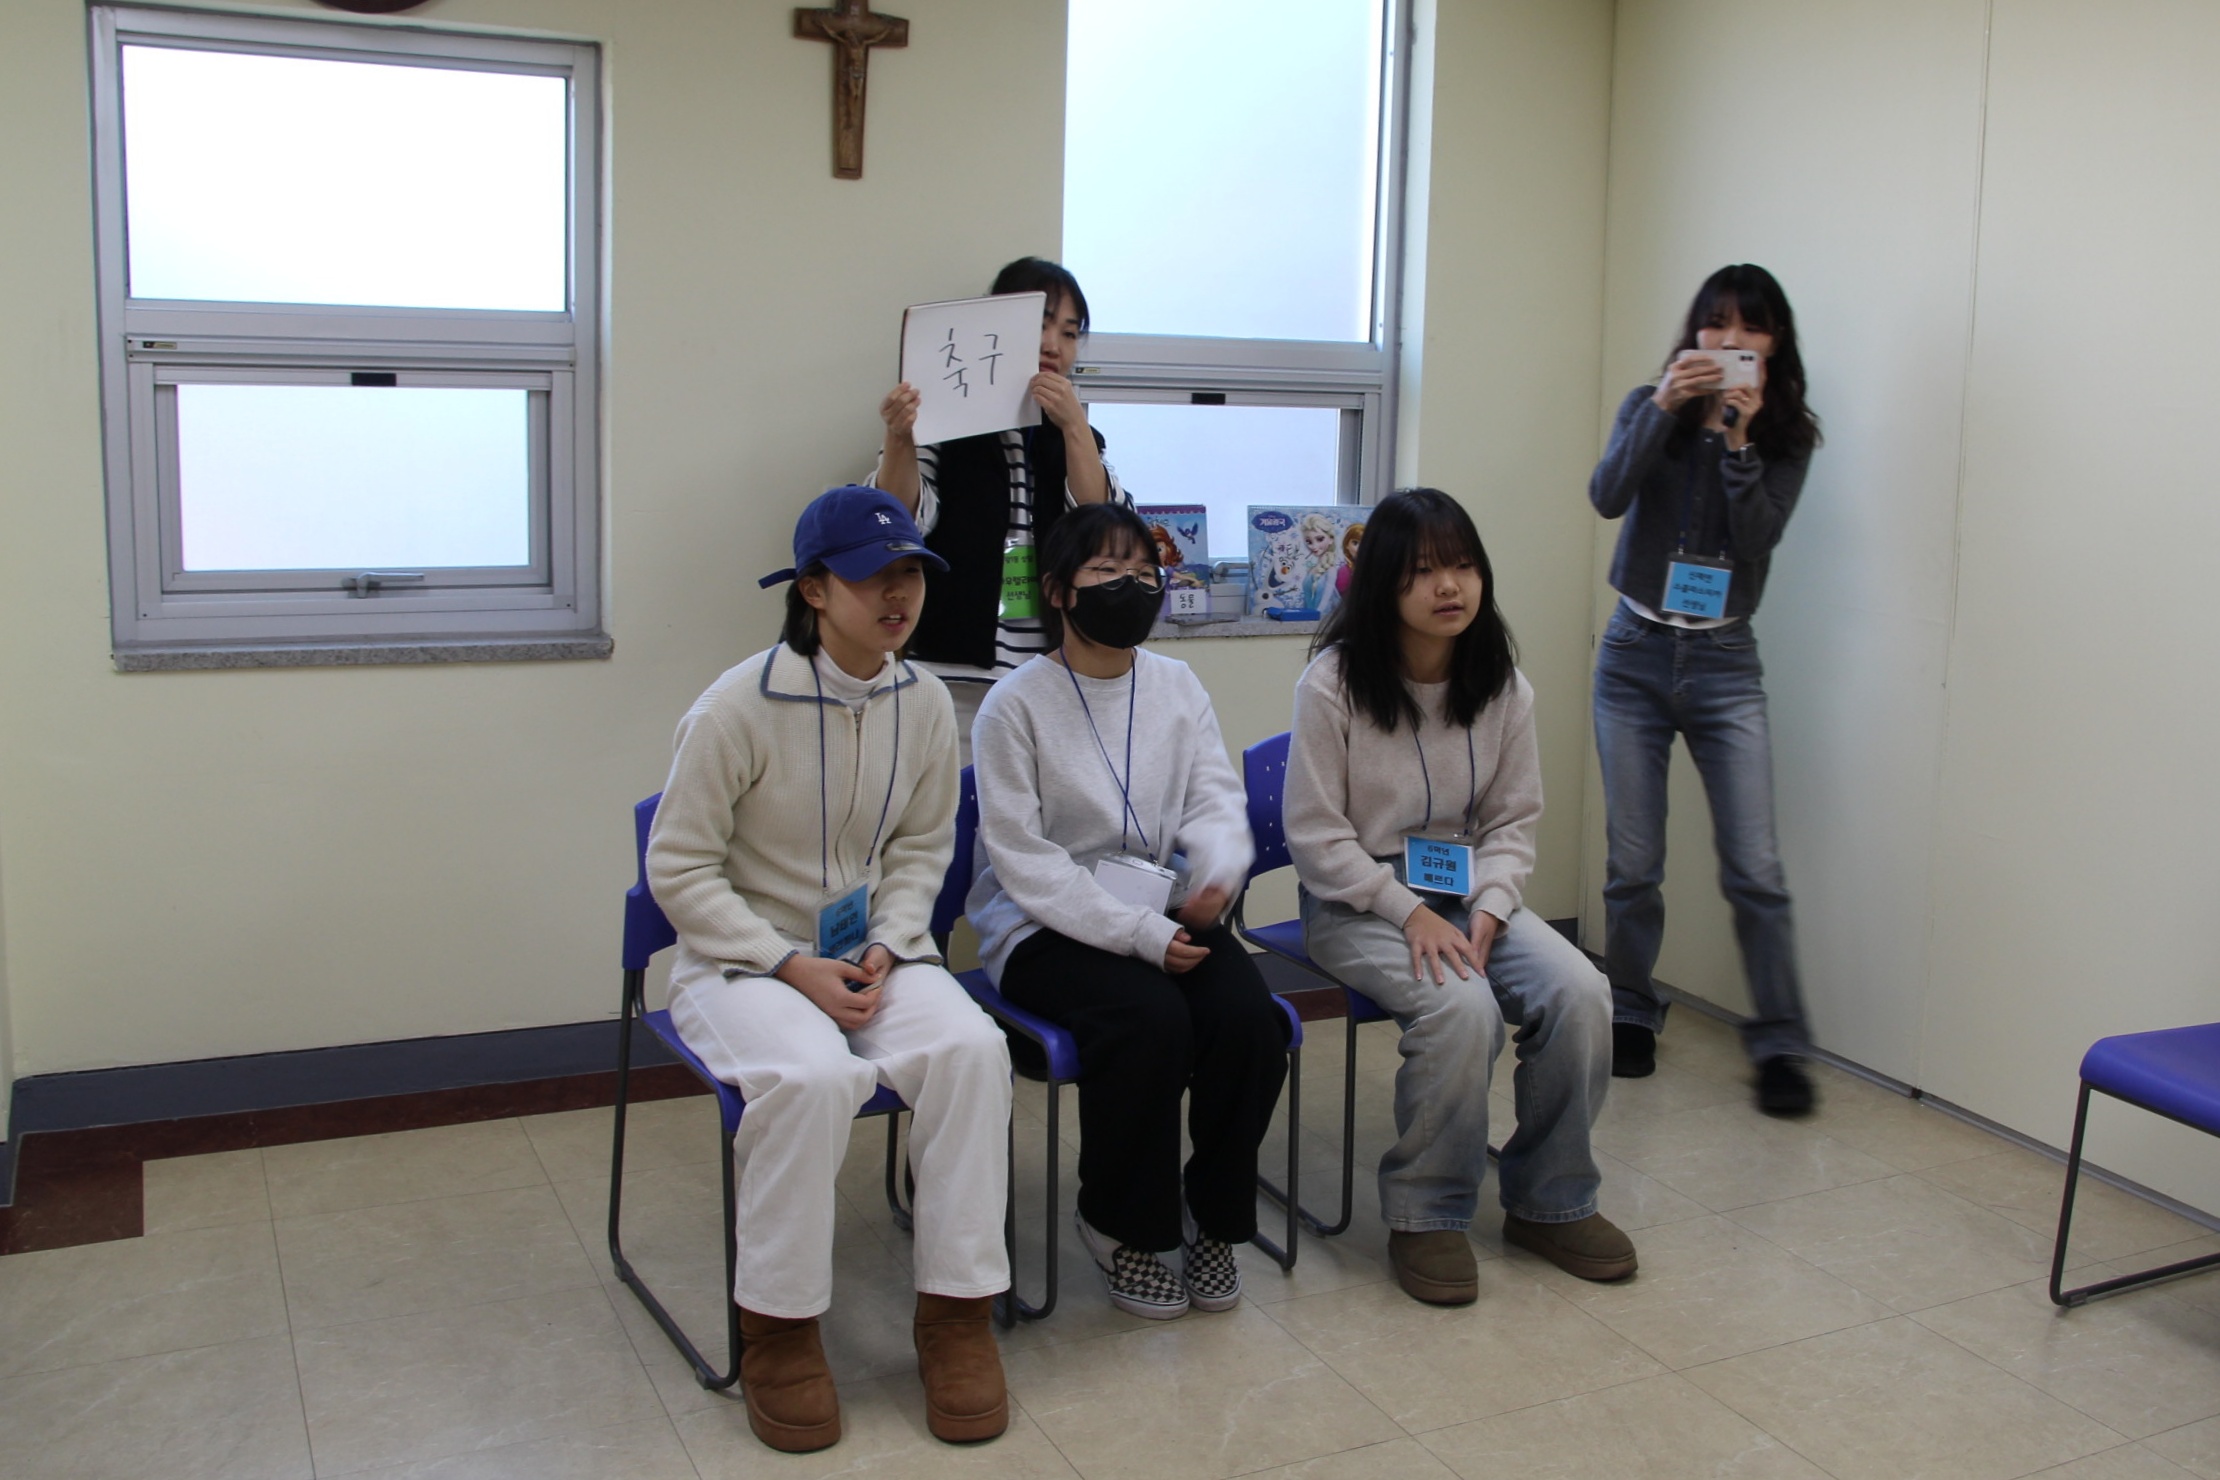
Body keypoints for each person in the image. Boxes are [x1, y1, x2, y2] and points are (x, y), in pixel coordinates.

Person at [646, 486, 1012, 1452]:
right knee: (811, 1078)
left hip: (873, 954)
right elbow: (678, 870)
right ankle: (779, 1331)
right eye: (872, 577)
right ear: (813, 589)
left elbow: (923, 847)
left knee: (973, 1051)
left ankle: (958, 1315)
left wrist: (891, 939)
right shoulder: (733, 708)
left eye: (911, 575)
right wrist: (786, 961)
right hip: (741, 964)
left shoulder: (922, 701)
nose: (899, 596)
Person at [1286, 488, 1633, 1304]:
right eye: (1423, 571)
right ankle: (1428, 1213)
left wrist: (1492, 907)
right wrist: (1407, 911)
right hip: (1356, 900)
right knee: (1462, 1008)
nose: (1450, 586)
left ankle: (1550, 1200)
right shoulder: (1332, 685)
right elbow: (1316, 837)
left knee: (1581, 991)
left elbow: (1513, 820)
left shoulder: (1501, 685)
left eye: (1464, 565)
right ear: (1384, 585)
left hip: (1467, 893)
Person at [968, 502, 1289, 1320]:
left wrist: (1216, 875)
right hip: (1040, 923)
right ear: (1058, 592)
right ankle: (1121, 1225)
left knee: (1248, 1022)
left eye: (1145, 573)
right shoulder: (1013, 705)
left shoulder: (1176, 685)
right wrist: (1139, 933)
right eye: (1107, 572)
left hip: (1159, 905)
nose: (1132, 588)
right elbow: (1025, 860)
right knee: (1150, 1023)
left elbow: (1214, 800)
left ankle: (1215, 1218)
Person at [1587, 263, 1824, 1115]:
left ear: (1775, 342)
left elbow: (1756, 540)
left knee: (1756, 868)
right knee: (1633, 863)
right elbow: (1607, 495)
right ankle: (1630, 1010)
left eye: (1750, 327)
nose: (1730, 340)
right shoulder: (1646, 404)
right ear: (1693, 332)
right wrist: (1663, 406)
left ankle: (1781, 1043)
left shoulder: (1787, 438)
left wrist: (1738, 441)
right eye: (1715, 323)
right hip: (1635, 654)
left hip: (1725, 663)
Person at [876, 257, 1133, 760]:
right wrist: (899, 438)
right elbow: (900, 521)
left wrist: (1074, 427)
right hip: (952, 669)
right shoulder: (947, 417)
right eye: (1041, 324)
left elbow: (1105, 528)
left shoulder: (1077, 434)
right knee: (955, 798)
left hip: (1052, 670)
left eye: (1069, 332)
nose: (1053, 345)